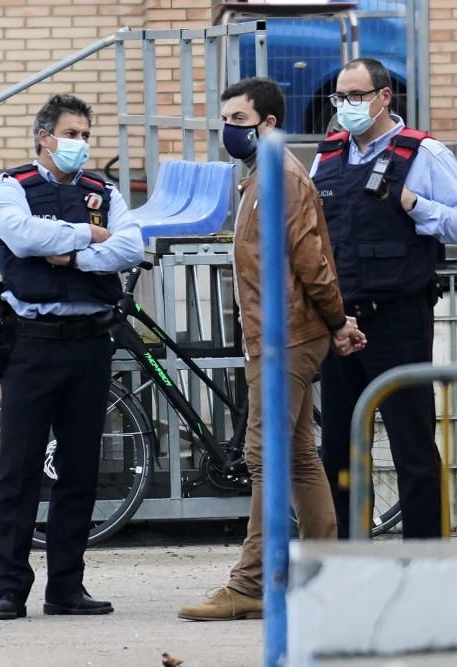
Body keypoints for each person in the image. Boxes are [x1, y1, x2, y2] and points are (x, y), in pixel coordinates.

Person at [178, 77, 365, 622]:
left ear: (268, 125)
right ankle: (326, 577)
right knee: (301, 458)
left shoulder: (281, 178)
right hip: (280, 334)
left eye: (238, 120)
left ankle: (253, 583)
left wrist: (337, 320)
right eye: (225, 120)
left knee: (265, 460)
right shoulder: (260, 178)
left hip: (286, 337)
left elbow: (313, 262)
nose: (227, 130)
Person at [0, 93, 144, 620]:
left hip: (90, 342)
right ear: (43, 137)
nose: (79, 144)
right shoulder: (13, 187)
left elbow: (129, 248)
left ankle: (66, 588)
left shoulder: (103, 190)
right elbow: (21, 236)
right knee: (19, 469)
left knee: (79, 469)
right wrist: (88, 235)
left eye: (84, 135)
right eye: (70, 134)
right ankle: (9, 589)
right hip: (33, 343)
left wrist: (70, 252)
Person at [311, 58, 457, 540]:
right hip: (340, 324)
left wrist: (415, 204)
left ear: (384, 97)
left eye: (356, 96)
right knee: (340, 450)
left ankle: (425, 560)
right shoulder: (328, 155)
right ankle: (346, 556)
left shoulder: (424, 154)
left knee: (412, 448)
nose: (346, 106)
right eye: (339, 98)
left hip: (398, 322)